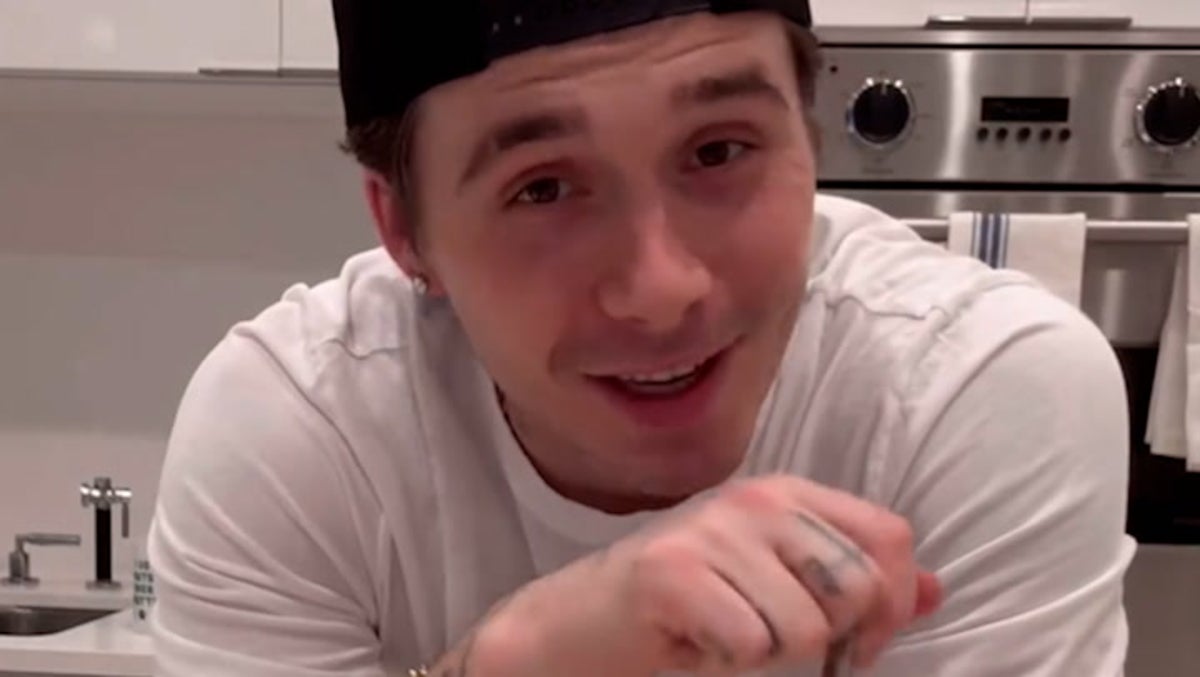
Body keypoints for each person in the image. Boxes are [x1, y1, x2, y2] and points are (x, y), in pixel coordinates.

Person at [147, 1, 1135, 675]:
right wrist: (515, 662)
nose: (662, 291)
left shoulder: (969, 386)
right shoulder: (299, 431)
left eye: (719, 150)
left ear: (810, 138)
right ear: (405, 231)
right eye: (543, 187)